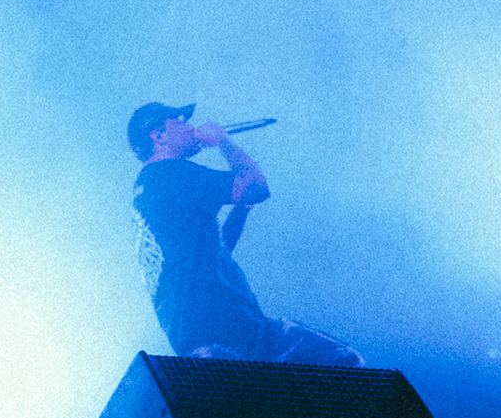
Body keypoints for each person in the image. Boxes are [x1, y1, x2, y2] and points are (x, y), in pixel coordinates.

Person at [128, 102, 361, 367]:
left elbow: (216, 251)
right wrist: (223, 141)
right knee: (342, 360)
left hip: (228, 329)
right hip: (221, 331)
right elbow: (256, 185)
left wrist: (241, 210)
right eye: (180, 121)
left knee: (339, 362)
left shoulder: (151, 186)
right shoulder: (171, 174)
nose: (190, 126)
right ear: (158, 135)